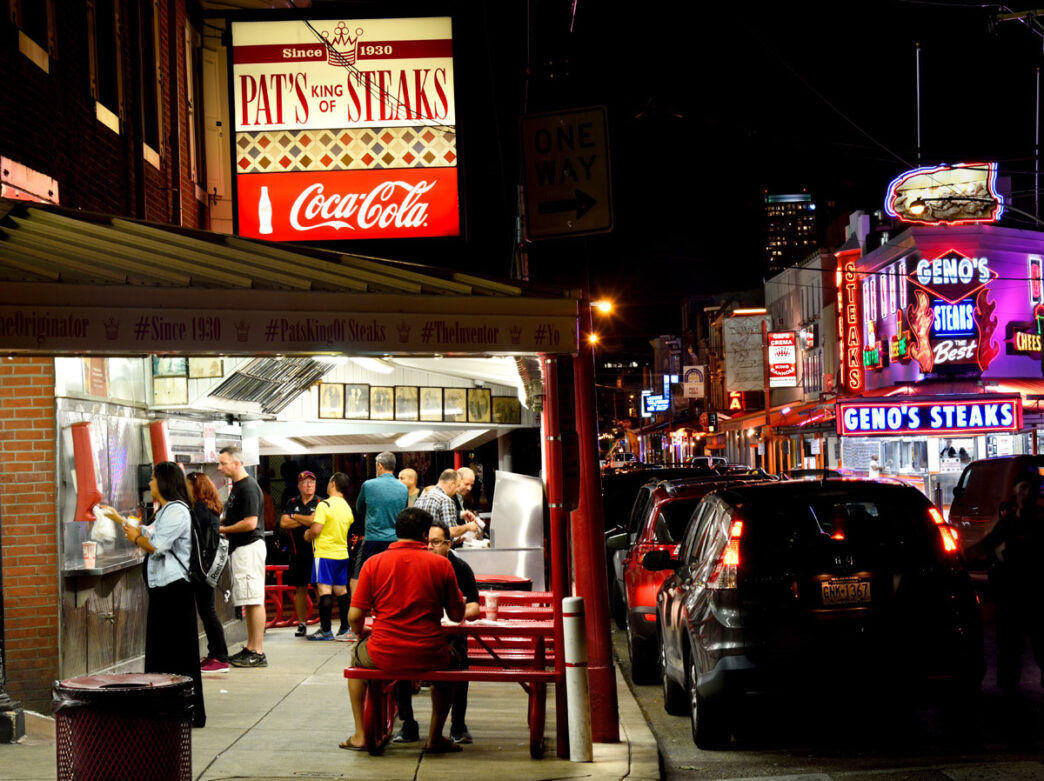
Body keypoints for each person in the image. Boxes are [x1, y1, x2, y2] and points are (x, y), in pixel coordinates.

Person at [342, 507, 467, 753]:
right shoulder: (441, 565)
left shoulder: (373, 563)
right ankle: (435, 737)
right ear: (424, 534)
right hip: (430, 653)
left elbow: (355, 615)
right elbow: (456, 615)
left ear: (395, 532)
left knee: (356, 659)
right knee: (455, 661)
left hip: (382, 652)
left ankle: (360, 734)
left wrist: (360, 634)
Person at [103, 462, 206, 728]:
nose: (149, 483)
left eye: (152, 479)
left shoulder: (176, 511)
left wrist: (137, 538)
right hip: (164, 589)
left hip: (175, 590)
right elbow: (148, 532)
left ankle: (184, 710)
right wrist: (117, 519)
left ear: (164, 482)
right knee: (162, 651)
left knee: (177, 652)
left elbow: (156, 545)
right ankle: (164, 709)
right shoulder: (165, 511)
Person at [393, 519, 480, 744]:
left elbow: (474, 606)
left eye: (436, 542)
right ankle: (407, 724)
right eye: (427, 542)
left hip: (449, 635)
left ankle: (458, 724)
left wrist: (456, 612)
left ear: (448, 544)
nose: (430, 547)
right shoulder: (413, 564)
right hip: (416, 635)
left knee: (459, 657)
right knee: (398, 656)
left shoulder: (460, 568)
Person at [971, 476, 1044, 698]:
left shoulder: (1038, 523)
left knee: (1034, 641)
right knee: (1011, 642)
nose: (1026, 493)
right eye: (1022, 488)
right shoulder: (1009, 523)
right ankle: (1008, 684)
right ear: (1016, 491)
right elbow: (987, 544)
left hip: (1034, 592)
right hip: (1014, 592)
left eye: (1030, 489)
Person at [217, 445, 268, 668]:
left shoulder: (247, 487)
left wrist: (221, 530)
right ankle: (250, 647)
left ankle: (257, 651)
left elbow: (250, 523)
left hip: (249, 548)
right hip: (241, 549)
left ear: (236, 463)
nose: (219, 467)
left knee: (254, 599)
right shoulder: (237, 487)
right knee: (248, 599)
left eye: (223, 463)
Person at [186, 471, 229, 673]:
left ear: (196, 488)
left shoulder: (200, 509)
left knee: (207, 611)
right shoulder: (213, 508)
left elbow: (194, 538)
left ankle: (220, 657)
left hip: (202, 568)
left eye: (187, 486)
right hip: (211, 567)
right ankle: (215, 654)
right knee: (207, 610)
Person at [304, 472, 355, 641]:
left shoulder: (324, 505)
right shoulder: (347, 507)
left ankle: (325, 630)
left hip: (324, 553)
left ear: (333, 483)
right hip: (342, 554)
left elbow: (316, 529)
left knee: (324, 590)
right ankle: (345, 627)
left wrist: (307, 535)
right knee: (341, 591)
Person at [350, 451, 407, 594]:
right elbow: (404, 512)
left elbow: (359, 508)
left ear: (379, 466)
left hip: (372, 540)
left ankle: (357, 611)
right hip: (394, 541)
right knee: (393, 577)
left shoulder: (368, 485)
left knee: (358, 575)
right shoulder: (403, 488)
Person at [280, 471, 320, 637]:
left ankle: (324, 623)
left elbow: (315, 521)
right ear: (299, 486)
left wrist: (295, 517)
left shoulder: (320, 502)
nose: (308, 485)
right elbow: (283, 522)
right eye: (305, 483)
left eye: (311, 482)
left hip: (317, 553)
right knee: (300, 589)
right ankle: (302, 623)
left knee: (320, 587)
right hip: (297, 553)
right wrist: (304, 518)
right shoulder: (292, 502)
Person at [415, 469, 480, 540]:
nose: (457, 490)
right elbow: (450, 531)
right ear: (451, 484)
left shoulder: (421, 498)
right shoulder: (446, 500)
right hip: (436, 547)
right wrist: (468, 527)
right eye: (457, 486)